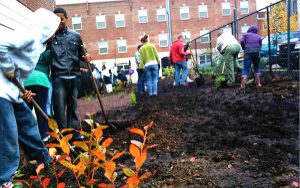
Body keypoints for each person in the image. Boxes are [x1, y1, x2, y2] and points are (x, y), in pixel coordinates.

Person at [0, 8, 60, 187]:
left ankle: (43, 160)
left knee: (28, 124)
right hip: (1, 92)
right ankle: (4, 179)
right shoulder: (29, 36)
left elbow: (17, 69)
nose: (55, 35)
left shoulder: (39, 44)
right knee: (8, 133)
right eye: (54, 31)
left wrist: (22, 91)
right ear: (46, 29)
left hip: (11, 90)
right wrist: (7, 66)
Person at [51, 8, 91, 140]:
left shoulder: (76, 36)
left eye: (61, 19)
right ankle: (63, 136)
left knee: (72, 106)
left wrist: (86, 59)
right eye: (56, 19)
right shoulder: (50, 37)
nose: (59, 22)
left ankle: (74, 133)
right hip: (58, 77)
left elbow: (82, 56)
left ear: (66, 18)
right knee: (59, 108)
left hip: (74, 76)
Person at [24, 46, 52, 142]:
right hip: (41, 80)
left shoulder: (26, 50)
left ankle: (27, 136)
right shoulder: (46, 52)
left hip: (26, 79)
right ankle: (44, 136)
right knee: (41, 109)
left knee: (26, 110)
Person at [240, 25, 262, 90]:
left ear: (249, 30)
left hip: (248, 52)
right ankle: (258, 84)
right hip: (257, 52)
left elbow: (241, 41)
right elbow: (260, 45)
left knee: (245, 69)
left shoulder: (245, 35)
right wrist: (257, 51)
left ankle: (243, 86)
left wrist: (244, 48)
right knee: (257, 67)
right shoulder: (258, 36)